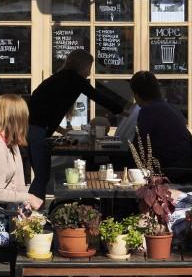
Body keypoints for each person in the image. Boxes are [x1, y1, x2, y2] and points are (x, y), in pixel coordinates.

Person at [26, 49, 129, 200]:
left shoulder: (58, 78)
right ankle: (30, 212)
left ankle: (33, 209)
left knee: (41, 175)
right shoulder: (74, 79)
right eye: (89, 68)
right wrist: (123, 111)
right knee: (42, 176)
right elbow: (99, 96)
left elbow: (43, 107)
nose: (88, 73)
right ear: (81, 66)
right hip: (37, 131)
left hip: (32, 129)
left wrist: (60, 129)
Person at [128, 71, 192, 177]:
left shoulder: (148, 110)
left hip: (168, 168)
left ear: (137, 95)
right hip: (186, 164)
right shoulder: (171, 107)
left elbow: (139, 144)